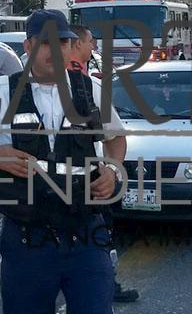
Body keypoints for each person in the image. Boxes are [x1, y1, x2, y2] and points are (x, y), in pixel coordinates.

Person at [0, 9, 127, 314]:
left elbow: (116, 138)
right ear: (28, 46)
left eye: (62, 42)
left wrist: (113, 170)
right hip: (27, 241)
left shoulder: (91, 90)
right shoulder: (2, 92)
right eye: (46, 43)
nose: (55, 50)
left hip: (86, 236)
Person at [68, 24, 139, 304]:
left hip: (87, 173)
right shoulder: (83, 81)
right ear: (76, 44)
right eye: (90, 42)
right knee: (99, 233)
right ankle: (104, 284)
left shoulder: (86, 77)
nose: (93, 47)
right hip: (82, 175)